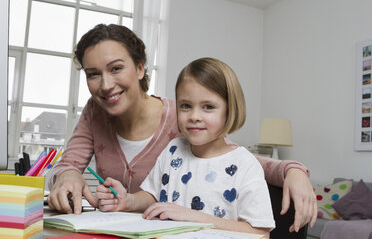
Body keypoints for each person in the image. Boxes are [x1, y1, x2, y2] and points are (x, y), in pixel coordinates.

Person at [46, 24, 316, 232]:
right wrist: (70, 176)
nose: (105, 85)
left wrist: (293, 169)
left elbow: (229, 161)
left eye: (116, 68)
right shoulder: (96, 112)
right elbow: (71, 164)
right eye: (93, 74)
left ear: (140, 68)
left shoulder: (183, 118)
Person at [96, 57, 275, 235]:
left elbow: (260, 232)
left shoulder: (245, 165)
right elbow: (153, 196)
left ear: (229, 111)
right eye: (186, 106)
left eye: (208, 107)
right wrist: (128, 200)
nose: (194, 116)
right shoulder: (173, 150)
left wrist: (196, 218)